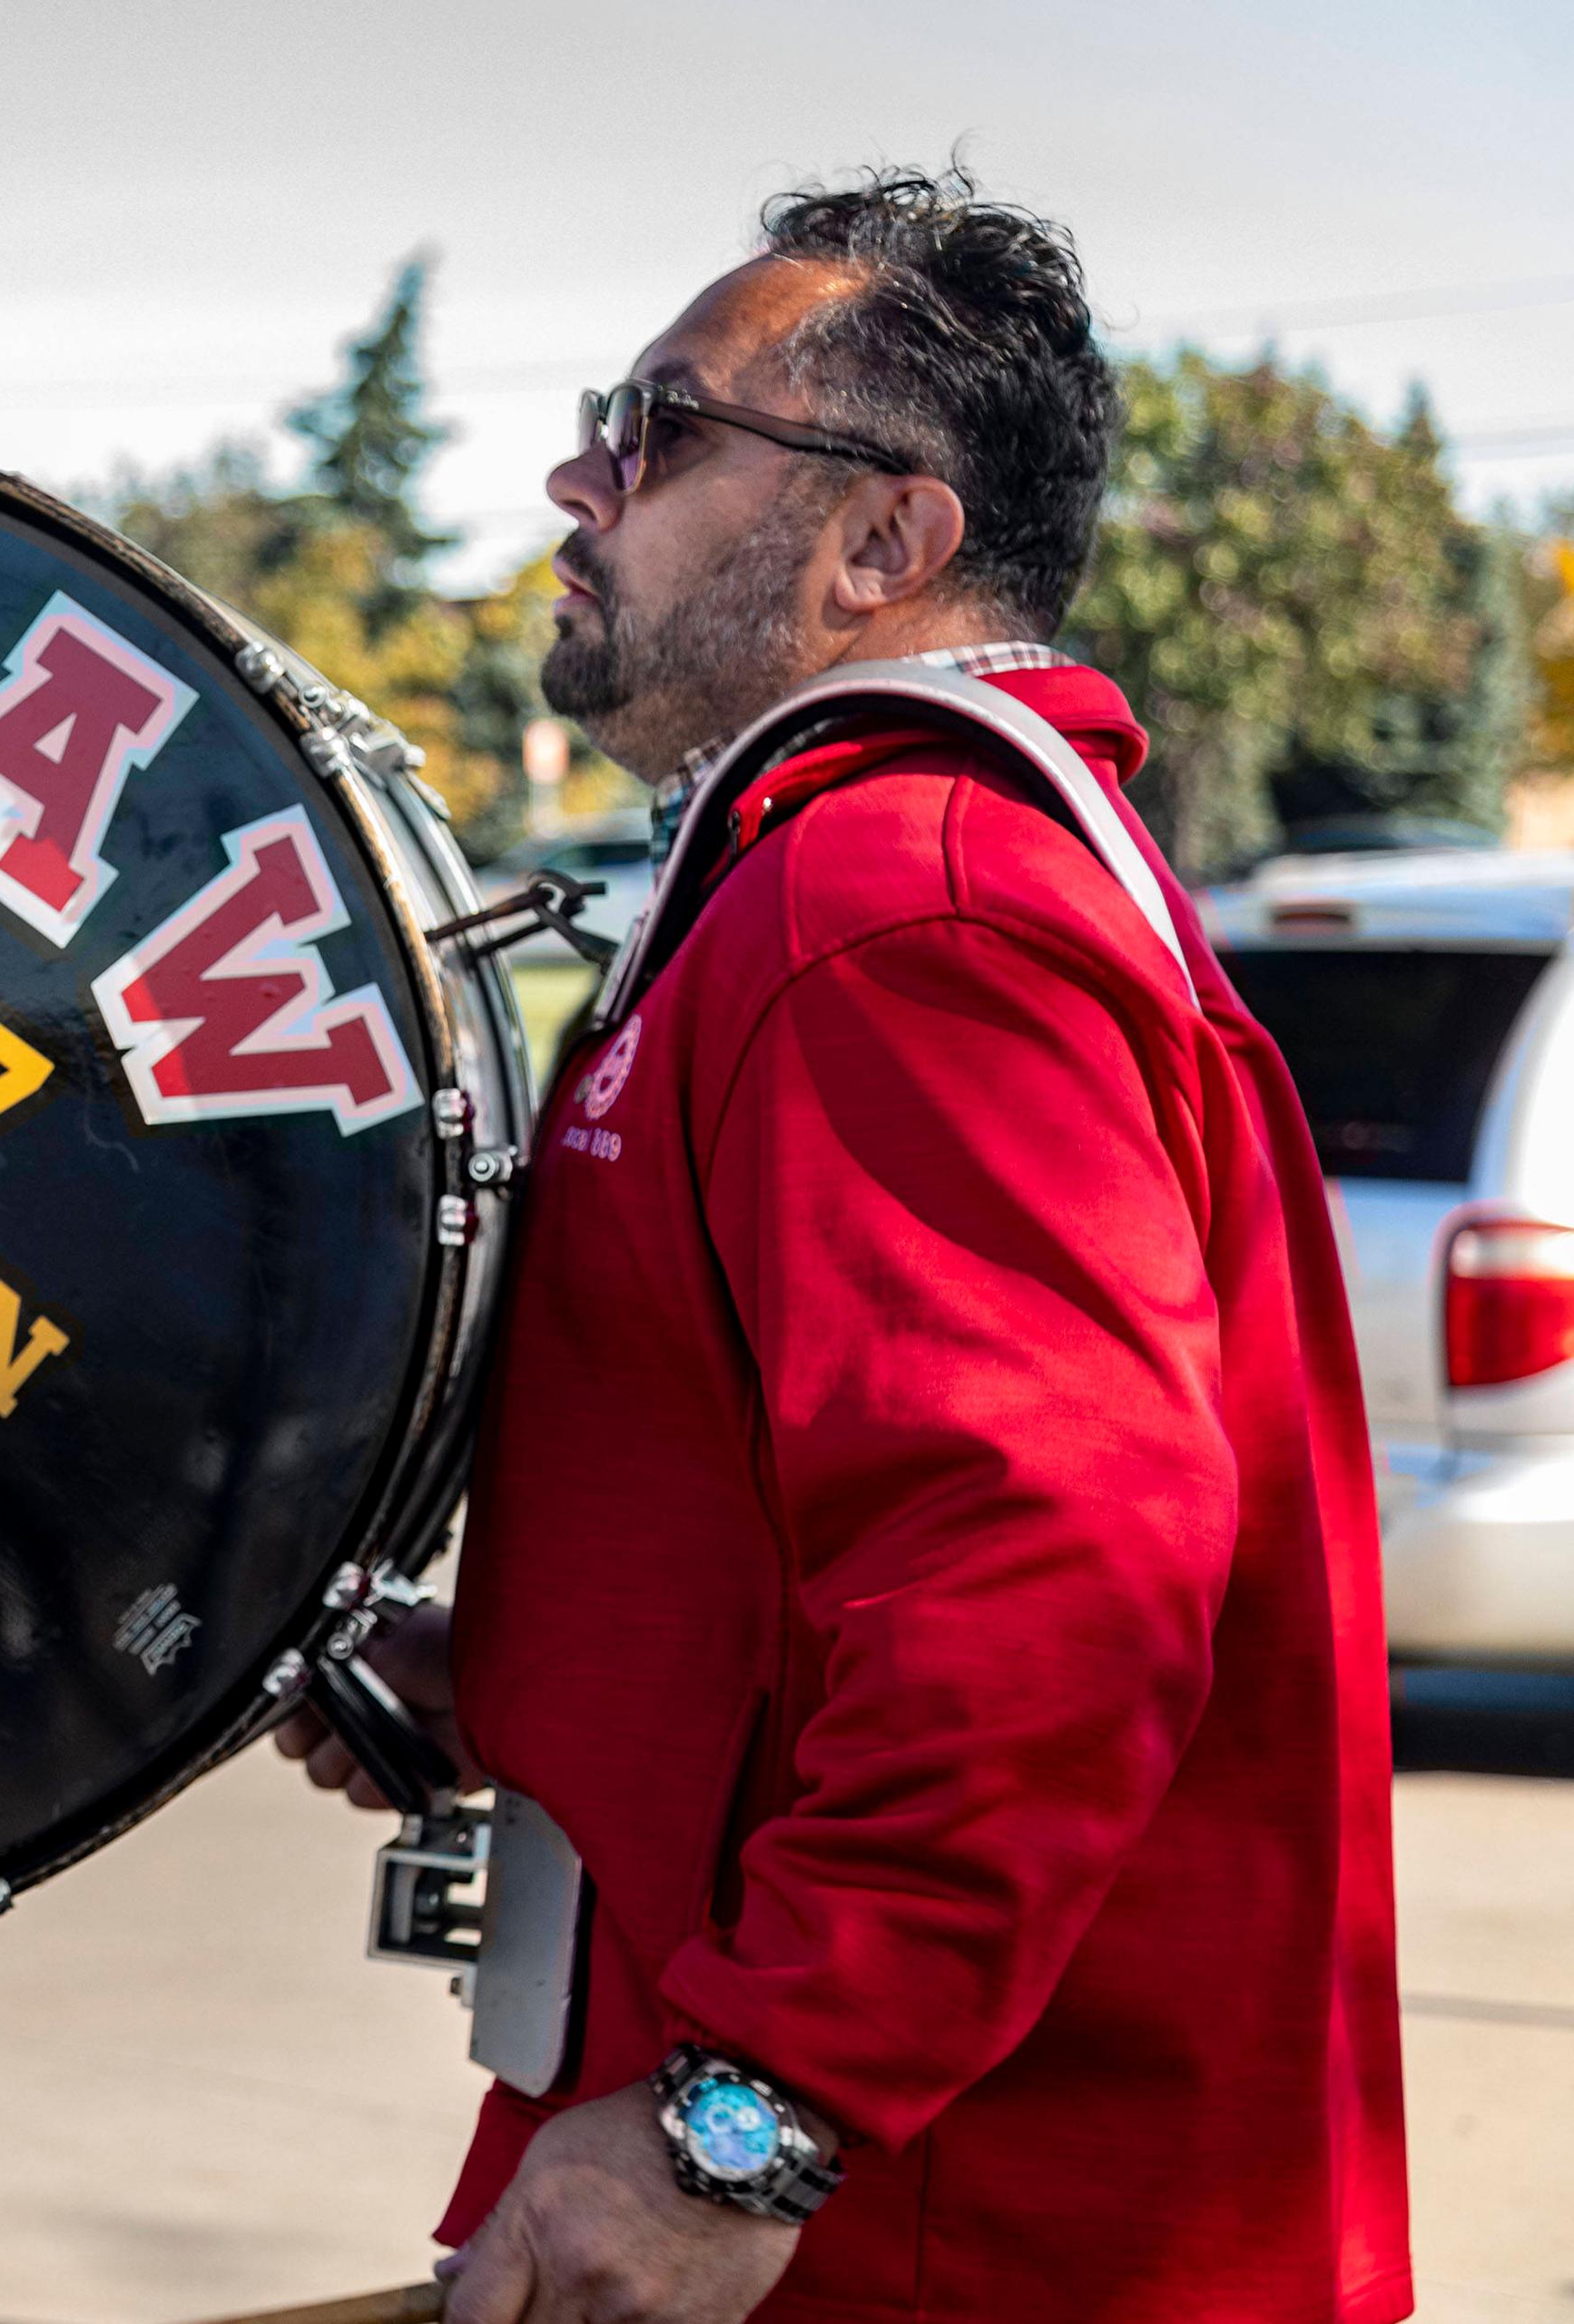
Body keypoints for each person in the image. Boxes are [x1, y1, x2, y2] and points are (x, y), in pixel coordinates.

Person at [278, 169, 1406, 2324]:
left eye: (660, 424)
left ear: (881, 542)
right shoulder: (854, 878)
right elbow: (834, 1537)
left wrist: (752, 2114)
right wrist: (527, 1677)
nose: (574, 478)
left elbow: (1047, 1569)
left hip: (929, 2232)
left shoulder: (899, 909)